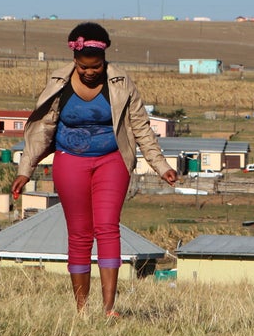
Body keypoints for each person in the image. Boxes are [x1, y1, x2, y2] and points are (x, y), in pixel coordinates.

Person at [10, 22, 177, 315]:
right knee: (79, 233)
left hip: (112, 160)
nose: (89, 72)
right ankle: (81, 309)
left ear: (105, 59)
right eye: (82, 66)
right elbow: (41, 130)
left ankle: (109, 307)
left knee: (108, 227)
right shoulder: (58, 84)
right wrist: (26, 170)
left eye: (95, 66)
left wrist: (161, 166)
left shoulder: (122, 84)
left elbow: (141, 127)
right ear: (74, 59)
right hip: (69, 160)